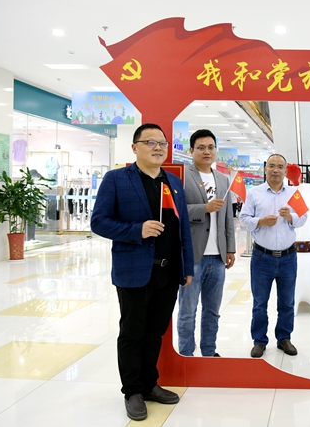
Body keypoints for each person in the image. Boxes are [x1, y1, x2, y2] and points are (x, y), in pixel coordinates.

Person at [91, 123, 194, 421]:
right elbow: (99, 222)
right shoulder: (116, 180)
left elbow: (182, 229)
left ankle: (150, 385)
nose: (158, 147)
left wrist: (186, 266)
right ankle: (133, 391)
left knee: (155, 333)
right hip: (134, 270)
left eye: (162, 143)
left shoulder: (173, 183)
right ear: (135, 147)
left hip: (168, 272)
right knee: (133, 332)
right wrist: (138, 230)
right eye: (150, 142)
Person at [239, 154, 308, 358]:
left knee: (287, 302)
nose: (275, 170)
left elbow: (303, 217)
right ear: (265, 169)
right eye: (271, 166)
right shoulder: (255, 193)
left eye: (280, 166)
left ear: (286, 171)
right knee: (260, 303)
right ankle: (259, 341)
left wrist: (290, 217)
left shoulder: (294, 193)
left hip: (288, 258)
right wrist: (261, 221)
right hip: (262, 257)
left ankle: (284, 338)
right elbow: (244, 219)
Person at [177, 129, 235, 357]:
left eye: (211, 147)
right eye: (201, 148)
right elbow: (177, 211)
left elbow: (227, 217)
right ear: (191, 150)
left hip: (218, 257)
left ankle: (209, 352)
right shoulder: (182, 177)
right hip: (192, 256)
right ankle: (186, 354)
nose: (207, 151)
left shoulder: (223, 179)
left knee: (212, 310)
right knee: (187, 311)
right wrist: (205, 208)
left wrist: (230, 248)